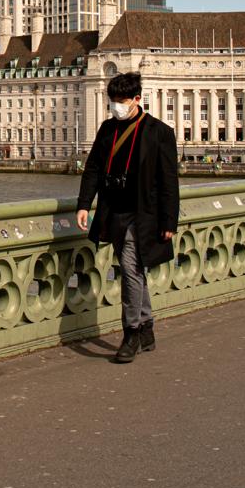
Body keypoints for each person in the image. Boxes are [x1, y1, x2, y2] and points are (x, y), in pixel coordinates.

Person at [76, 72, 180, 363]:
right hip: (113, 210)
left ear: (137, 99)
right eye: (112, 102)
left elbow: (169, 181)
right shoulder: (108, 128)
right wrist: (84, 204)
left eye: (121, 102)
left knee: (130, 272)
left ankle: (130, 332)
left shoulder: (158, 132)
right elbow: (94, 167)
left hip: (143, 213)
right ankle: (147, 327)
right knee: (134, 269)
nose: (116, 107)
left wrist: (169, 221)